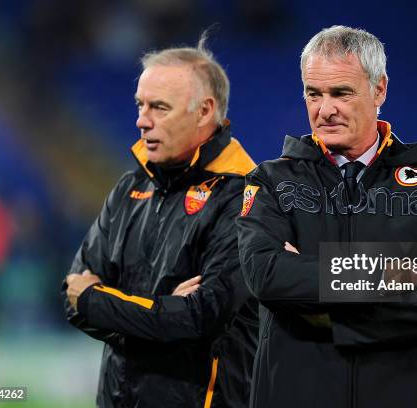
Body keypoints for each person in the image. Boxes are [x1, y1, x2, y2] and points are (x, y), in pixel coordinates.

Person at [237, 26, 417, 408]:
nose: (324, 110)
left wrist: (331, 316)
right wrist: (390, 275)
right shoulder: (270, 181)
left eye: (341, 93)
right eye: (313, 94)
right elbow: (266, 276)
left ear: (379, 90)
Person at [62, 34, 258, 408]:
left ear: (204, 111)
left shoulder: (244, 197)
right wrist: (162, 315)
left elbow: (200, 317)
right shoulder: (129, 187)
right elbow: (70, 295)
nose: (141, 120)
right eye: (140, 105)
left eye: (159, 107)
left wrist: (98, 299)